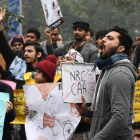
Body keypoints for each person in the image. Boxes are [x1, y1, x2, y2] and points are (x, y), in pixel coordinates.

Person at [76, 26, 137, 140]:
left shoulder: (119, 73)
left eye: (109, 38)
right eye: (104, 37)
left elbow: (120, 118)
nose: (103, 39)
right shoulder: (108, 69)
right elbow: (106, 114)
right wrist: (86, 112)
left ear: (121, 48)